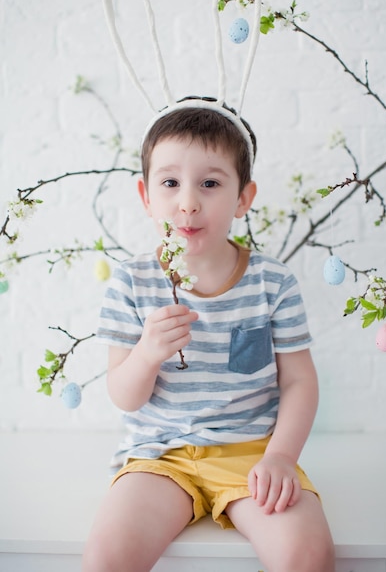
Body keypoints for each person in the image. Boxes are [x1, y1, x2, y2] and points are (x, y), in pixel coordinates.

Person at [82, 102, 335, 572]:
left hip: (253, 453)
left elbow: (299, 381)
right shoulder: (132, 282)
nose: (188, 202)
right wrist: (148, 353)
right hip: (160, 457)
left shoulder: (272, 284)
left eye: (211, 183)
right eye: (170, 183)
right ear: (145, 195)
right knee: (106, 557)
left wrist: (281, 457)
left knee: (308, 554)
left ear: (244, 197)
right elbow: (124, 395)